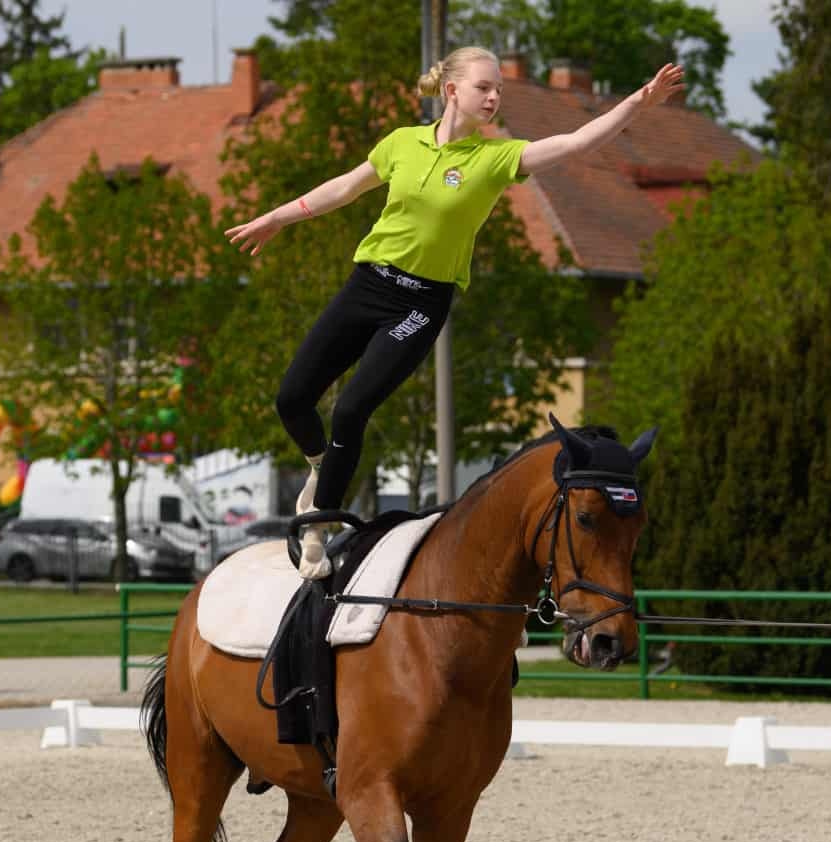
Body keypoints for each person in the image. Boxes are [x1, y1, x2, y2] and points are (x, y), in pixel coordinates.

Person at [225, 46, 687, 578]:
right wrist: (277, 219)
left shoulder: (494, 159)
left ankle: (319, 524)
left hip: (421, 301)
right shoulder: (403, 144)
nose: (493, 98)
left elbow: (577, 142)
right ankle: (321, 466)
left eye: (498, 91)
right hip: (368, 283)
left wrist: (639, 101)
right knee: (292, 399)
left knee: (351, 410)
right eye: (483, 88)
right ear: (452, 91)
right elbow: (344, 189)